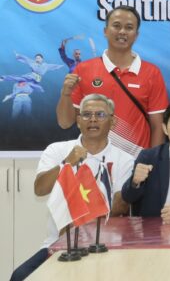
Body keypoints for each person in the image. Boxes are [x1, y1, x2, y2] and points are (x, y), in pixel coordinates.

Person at [10, 94, 134, 281]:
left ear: (113, 122)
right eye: (86, 114)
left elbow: (119, 206)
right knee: (20, 276)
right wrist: (66, 163)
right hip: (59, 244)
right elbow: (40, 189)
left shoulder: (125, 159)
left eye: (100, 114)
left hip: (105, 245)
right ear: (78, 121)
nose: (93, 119)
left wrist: (76, 219)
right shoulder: (56, 150)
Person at [56, 5, 169, 156]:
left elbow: (157, 126)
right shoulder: (83, 70)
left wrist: (152, 162)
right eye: (116, 25)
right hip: (92, 162)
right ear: (105, 31)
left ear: (136, 35)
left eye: (129, 27)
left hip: (136, 163)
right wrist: (65, 94)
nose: (122, 31)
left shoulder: (151, 73)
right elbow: (65, 123)